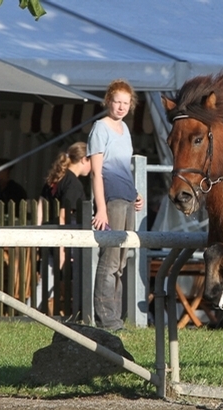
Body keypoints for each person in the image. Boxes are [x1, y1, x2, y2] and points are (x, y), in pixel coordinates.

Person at [87, 79, 144, 332]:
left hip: (127, 198)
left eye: (126, 103)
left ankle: (116, 319)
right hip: (111, 200)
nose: (121, 107)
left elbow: (124, 167)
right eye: (117, 101)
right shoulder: (101, 128)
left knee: (121, 262)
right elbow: (96, 173)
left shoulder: (125, 129)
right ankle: (106, 319)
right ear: (107, 101)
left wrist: (135, 193)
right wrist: (100, 208)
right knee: (110, 260)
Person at [36, 142, 92, 313]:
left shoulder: (57, 178)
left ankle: (32, 310)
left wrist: (37, 232)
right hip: (67, 236)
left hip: (50, 232)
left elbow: (40, 204)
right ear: (84, 159)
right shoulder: (73, 184)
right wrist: (62, 247)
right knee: (73, 277)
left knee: (48, 277)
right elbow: (63, 216)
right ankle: (77, 312)